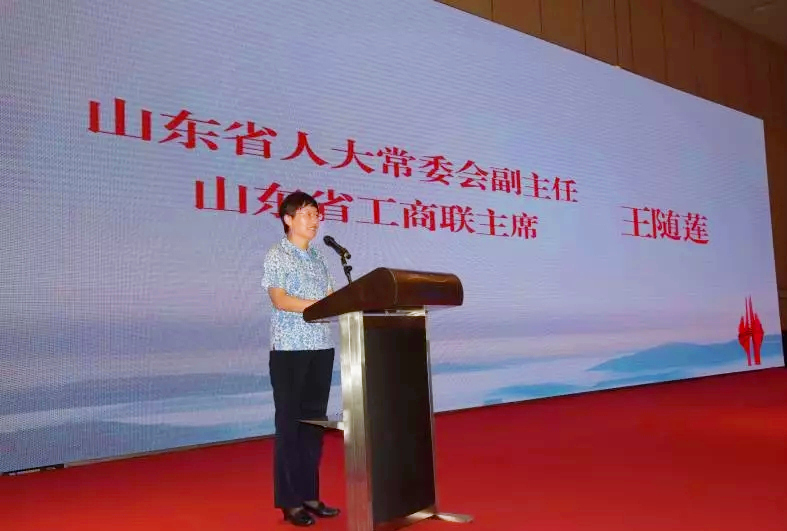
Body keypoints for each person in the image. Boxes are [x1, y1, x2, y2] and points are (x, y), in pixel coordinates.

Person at [261, 191, 340, 527]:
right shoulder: (277, 255)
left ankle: (309, 495)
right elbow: (280, 299)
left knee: (313, 426)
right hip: (290, 350)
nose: (314, 220)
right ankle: (290, 501)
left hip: (321, 347)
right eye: (307, 214)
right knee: (290, 426)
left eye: (317, 214)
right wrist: (320, 306)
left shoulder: (320, 257)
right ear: (288, 219)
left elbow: (333, 298)